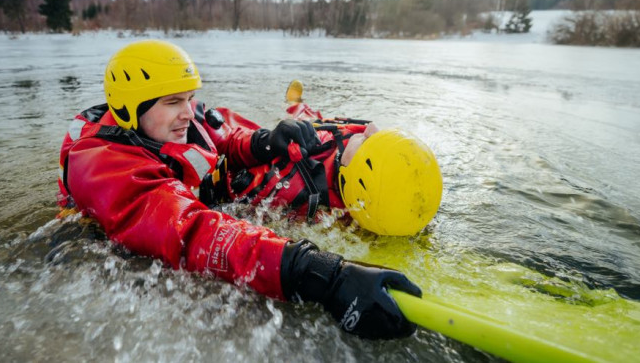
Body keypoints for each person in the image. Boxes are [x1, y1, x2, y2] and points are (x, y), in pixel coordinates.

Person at [57, 40, 422, 340]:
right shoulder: (103, 165)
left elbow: (225, 137)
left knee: (303, 154)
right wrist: (320, 274)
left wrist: (267, 141)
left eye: (189, 97)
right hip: (129, 246)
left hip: (200, 197)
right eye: (173, 102)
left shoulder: (173, 117)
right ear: (127, 109)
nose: (189, 111)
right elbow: (193, 232)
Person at [222, 80, 443, 236]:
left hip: (312, 151)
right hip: (325, 136)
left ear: (356, 174)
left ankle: (295, 107)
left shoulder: (290, 185)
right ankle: (295, 104)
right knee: (306, 117)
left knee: (301, 121)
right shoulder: (357, 145)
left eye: (369, 142)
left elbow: (228, 149)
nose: (371, 129)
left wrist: (263, 144)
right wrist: (266, 140)